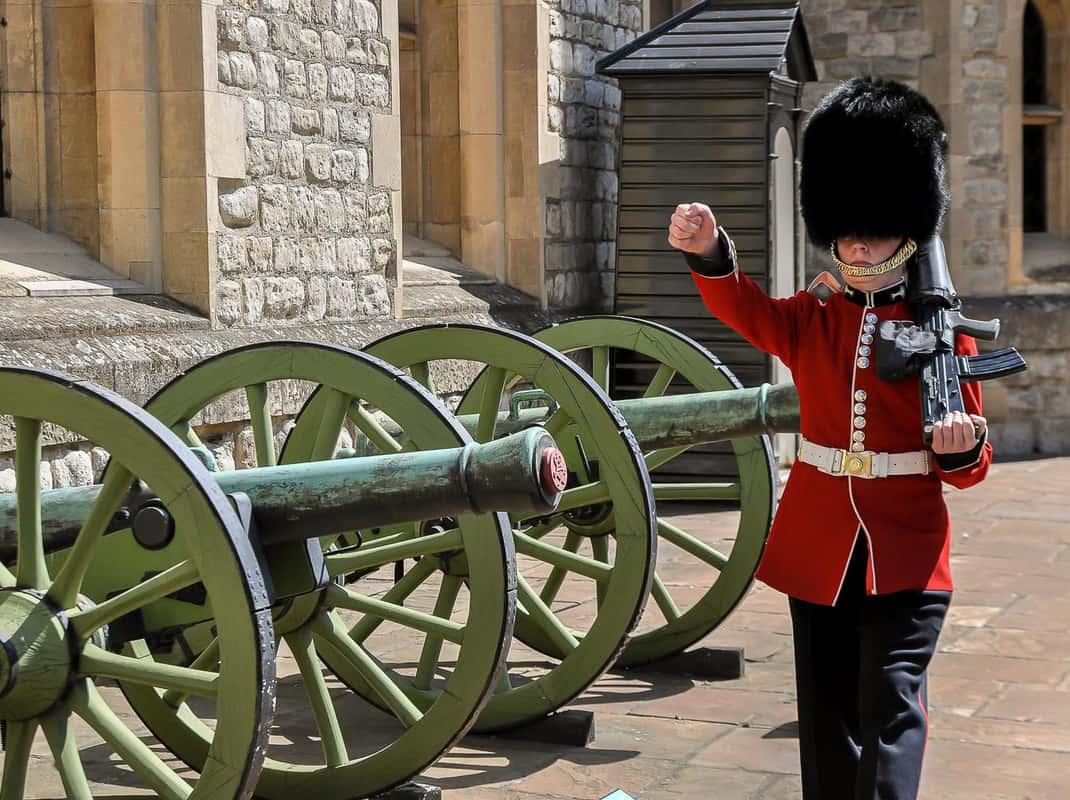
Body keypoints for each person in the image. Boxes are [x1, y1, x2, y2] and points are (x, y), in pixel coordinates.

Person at [666, 77, 991, 799]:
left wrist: (961, 445)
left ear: (907, 229)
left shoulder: (945, 333)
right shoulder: (815, 317)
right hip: (820, 544)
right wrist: (711, 247)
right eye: (847, 227)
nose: (857, 240)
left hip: (905, 547)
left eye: (872, 228)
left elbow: (972, 468)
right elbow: (742, 306)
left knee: (892, 708)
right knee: (828, 716)